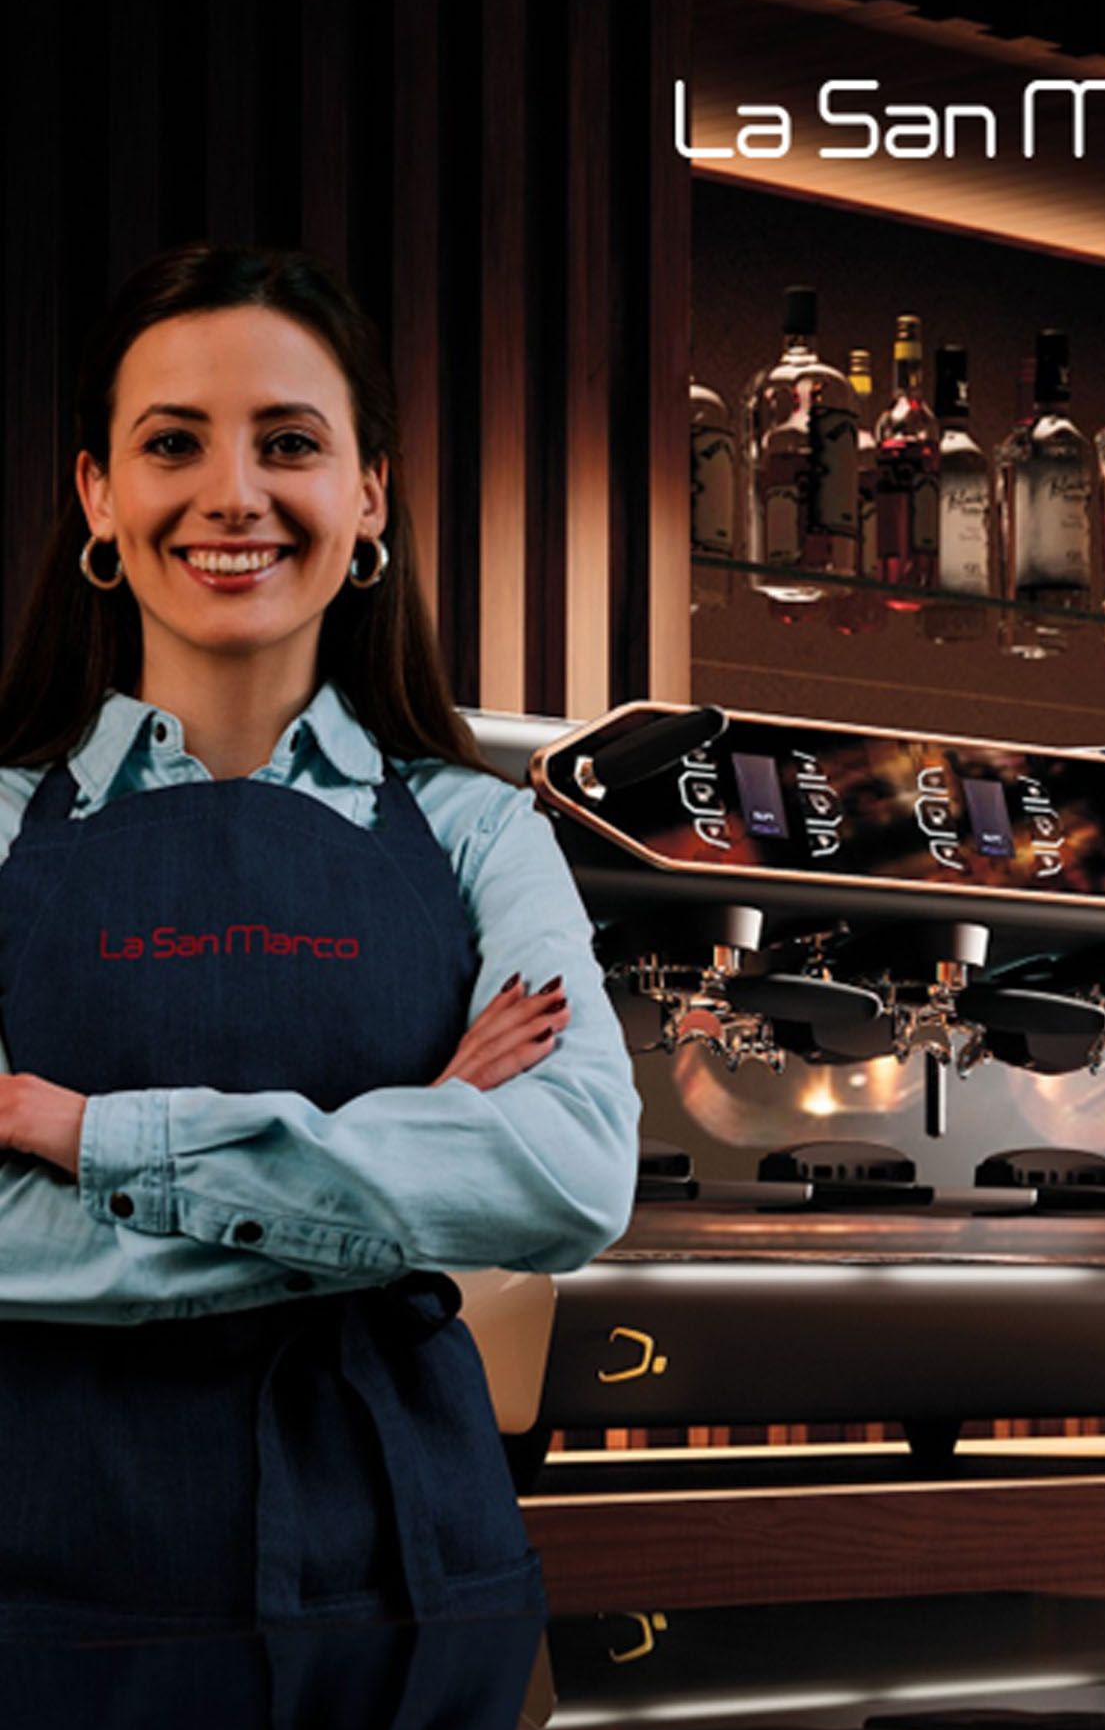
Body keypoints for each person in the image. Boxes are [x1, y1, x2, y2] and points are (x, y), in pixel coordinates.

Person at [0, 242, 641, 1632]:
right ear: (99, 498)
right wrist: (419, 1148)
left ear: (366, 497)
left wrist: (96, 1141)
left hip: (400, 1588)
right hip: (33, 1590)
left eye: (288, 442)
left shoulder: (482, 832)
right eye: (174, 443)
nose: (234, 493)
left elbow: (574, 1173)